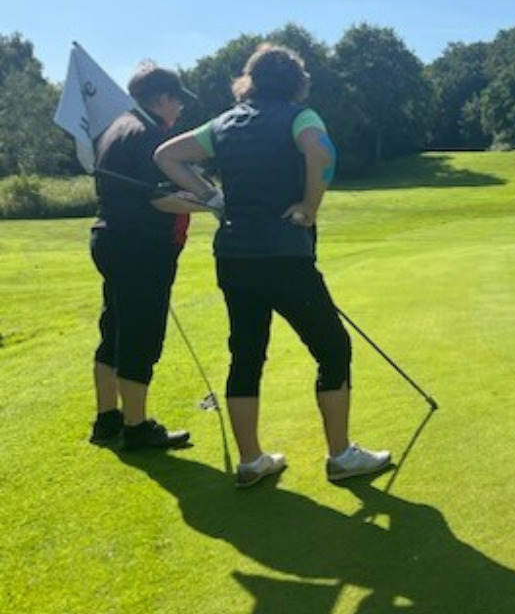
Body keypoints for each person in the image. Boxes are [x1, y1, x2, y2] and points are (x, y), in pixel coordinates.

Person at [154, 43, 391, 488]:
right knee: (333, 349)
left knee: (246, 354)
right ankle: (341, 456)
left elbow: (166, 155)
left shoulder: (224, 123)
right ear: (297, 82)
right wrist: (309, 206)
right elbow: (321, 152)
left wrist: (211, 197)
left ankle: (251, 461)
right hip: (284, 255)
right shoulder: (301, 117)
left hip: (233, 256)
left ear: (250, 81)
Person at [89, 63, 210, 450]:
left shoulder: (116, 127)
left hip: (111, 238)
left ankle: (107, 419)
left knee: (115, 328)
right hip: (140, 245)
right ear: (161, 99)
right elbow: (160, 199)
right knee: (140, 335)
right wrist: (214, 204)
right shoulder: (149, 135)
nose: (180, 108)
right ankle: (136, 427)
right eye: (177, 100)